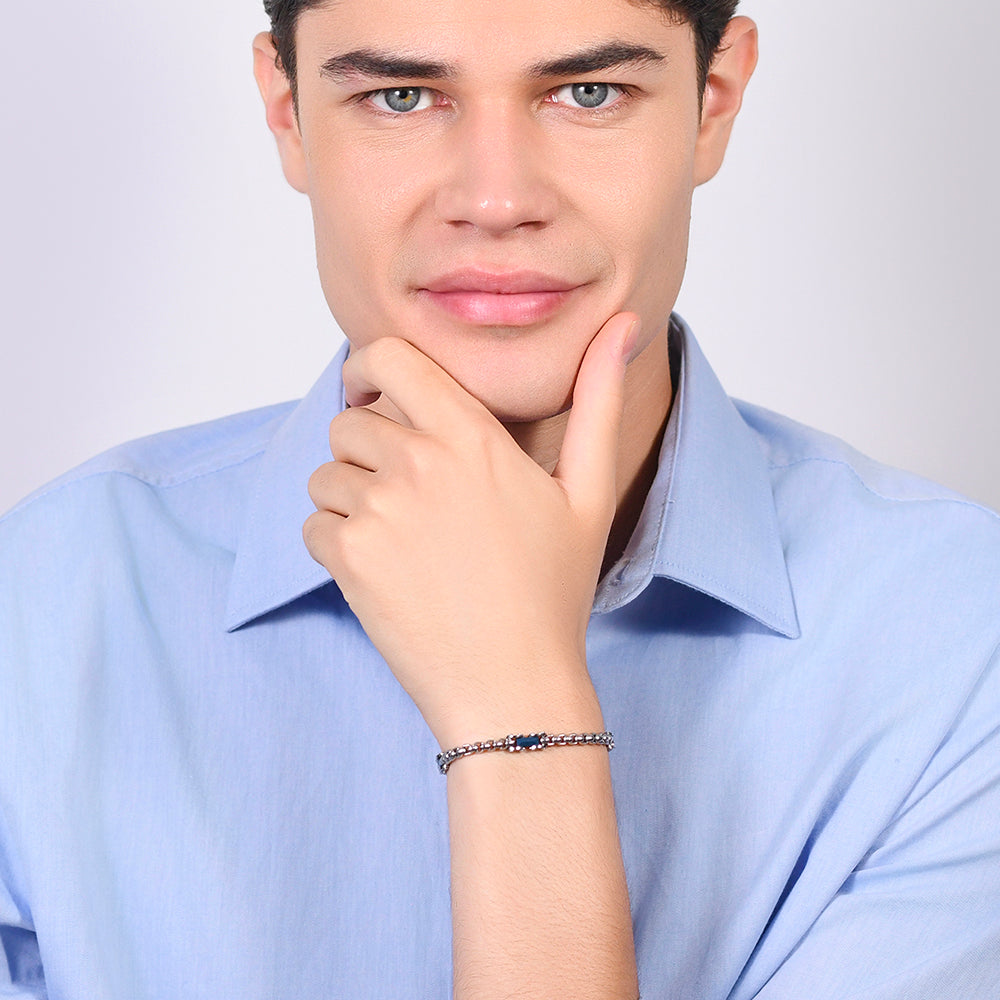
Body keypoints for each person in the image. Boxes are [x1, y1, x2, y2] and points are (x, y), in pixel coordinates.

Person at [0, 1, 997, 998]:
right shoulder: (41, 606)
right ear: (288, 112)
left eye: (587, 92)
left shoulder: (961, 649)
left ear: (712, 100)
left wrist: (519, 709)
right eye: (400, 95)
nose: (495, 198)